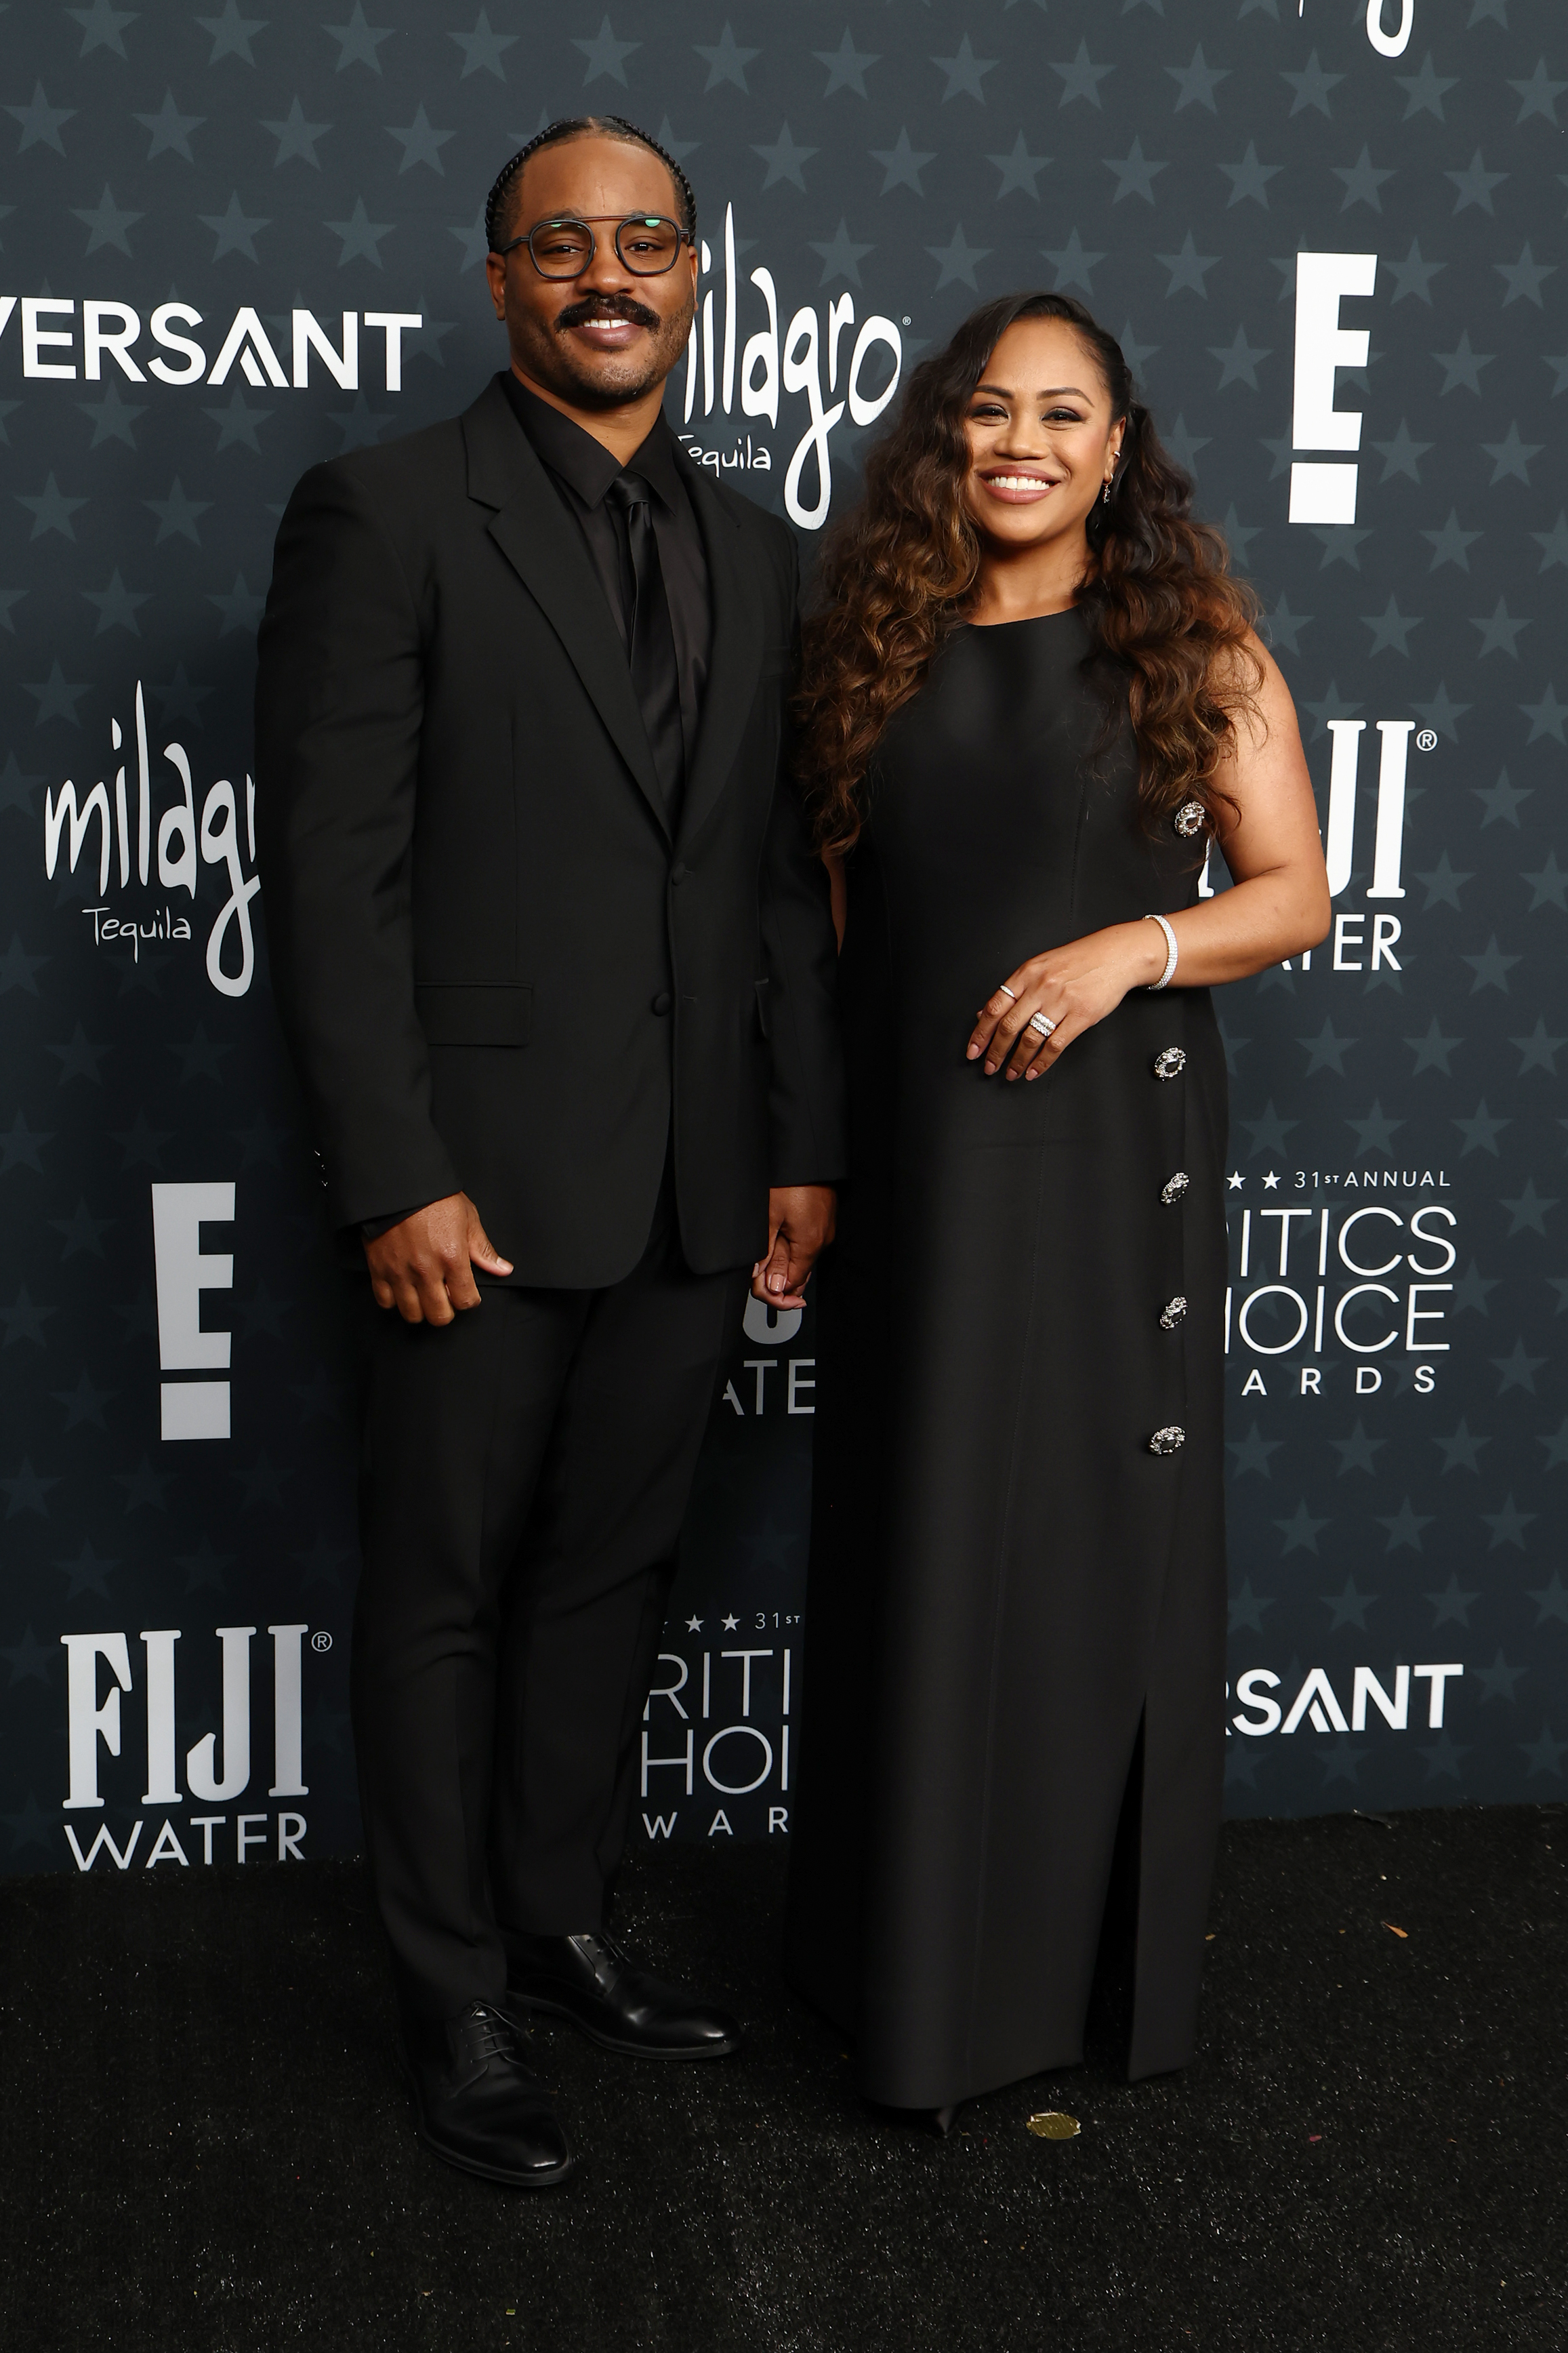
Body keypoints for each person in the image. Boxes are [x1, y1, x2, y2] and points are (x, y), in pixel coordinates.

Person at [255, 116, 843, 2189]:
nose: (611, 274)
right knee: (444, 1593)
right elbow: (331, 878)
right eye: (564, 243)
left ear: (696, 276)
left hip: (695, 1179)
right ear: (499, 278)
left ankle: (555, 1916)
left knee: (609, 1576)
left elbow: (769, 881)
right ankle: (451, 1997)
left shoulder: (761, 547)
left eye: (647, 240)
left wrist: (797, 1139)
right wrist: (394, 1172)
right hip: (474, 1190)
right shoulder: (387, 511)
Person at [783, 292, 1330, 2130]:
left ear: (1116, 451)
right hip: (917, 1163)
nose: (1020, 442)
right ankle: (893, 1978)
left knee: (1078, 1544)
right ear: (944, 440)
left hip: (1102, 1158)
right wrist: (817, 1157)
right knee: (918, 1540)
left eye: (1062, 413)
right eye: (987, 410)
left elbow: (1294, 894)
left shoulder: (1186, 643)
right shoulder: (871, 647)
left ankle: (1050, 1982)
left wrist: (1125, 952)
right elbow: (844, 934)